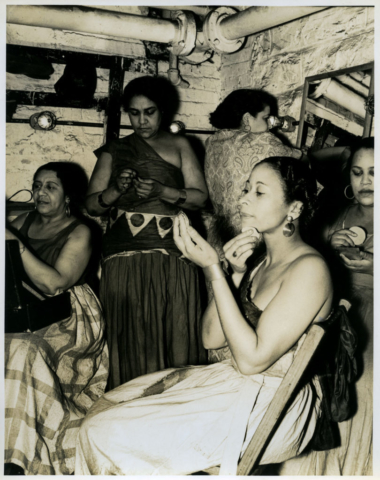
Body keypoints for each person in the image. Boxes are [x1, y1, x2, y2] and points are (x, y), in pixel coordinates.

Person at [75, 156, 333, 476]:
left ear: (293, 208)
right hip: (242, 386)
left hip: (272, 407)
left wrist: (212, 268)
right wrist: (232, 274)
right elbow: (210, 338)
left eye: (259, 192)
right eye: (245, 189)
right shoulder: (261, 261)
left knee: (103, 433)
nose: (243, 198)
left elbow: (252, 360)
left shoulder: (309, 268)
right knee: (108, 405)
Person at [85, 75, 208, 389]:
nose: (141, 121)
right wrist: (115, 191)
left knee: (174, 335)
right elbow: (92, 206)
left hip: (172, 258)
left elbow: (199, 197)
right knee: (130, 337)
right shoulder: (116, 149)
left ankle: (173, 411)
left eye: (149, 112)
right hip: (123, 260)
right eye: (134, 113)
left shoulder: (181, 144)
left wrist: (163, 190)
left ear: (162, 111)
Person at [4, 162, 108, 475]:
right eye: (37, 185)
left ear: (68, 196)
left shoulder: (81, 230)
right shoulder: (20, 221)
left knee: (24, 351)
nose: (40, 192)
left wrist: (12, 240)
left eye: (51, 186)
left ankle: (19, 455)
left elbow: (55, 284)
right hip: (22, 310)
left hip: (68, 314)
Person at [278, 137, 374, 476]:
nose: (365, 181)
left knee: (361, 393)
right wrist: (328, 248)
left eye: (375, 173)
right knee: (321, 391)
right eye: (358, 172)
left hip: (372, 324)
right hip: (335, 317)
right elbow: (311, 267)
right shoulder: (337, 212)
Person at [204, 89, 303, 254]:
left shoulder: (211, 142)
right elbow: (298, 159)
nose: (268, 126)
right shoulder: (263, 140)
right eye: (265, 118)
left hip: (220, 237)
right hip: (253, 238)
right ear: (247, 119)